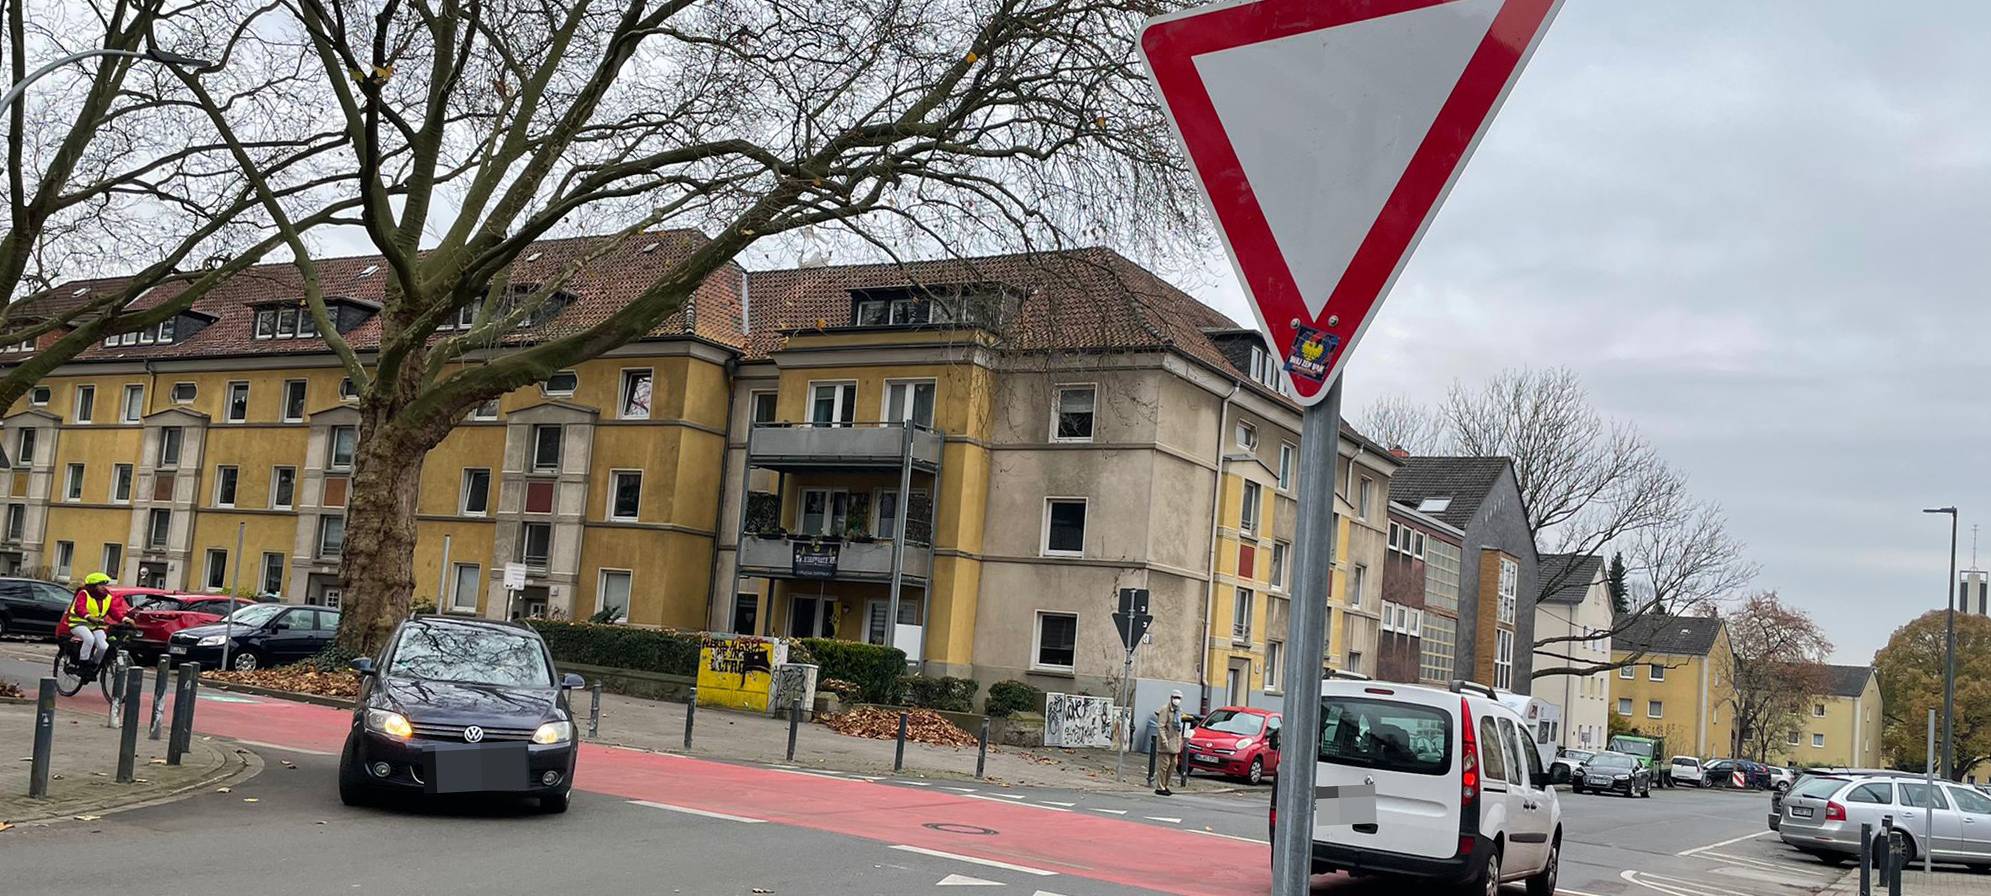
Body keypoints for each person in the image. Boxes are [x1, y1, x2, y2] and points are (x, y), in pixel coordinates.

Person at [59, 572, 128, 680]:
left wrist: (125, 619)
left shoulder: (107, 597)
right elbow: (79, 608)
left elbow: (113, 612)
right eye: (101, 585)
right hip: (78, 623)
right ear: (93, 586)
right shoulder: (84, 594)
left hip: (95, 626)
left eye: (105, 584)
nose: (104, 587)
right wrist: (88, 616)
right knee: (89, 639)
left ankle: (93, 667)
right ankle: (83, 665)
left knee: (103, 646)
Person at [1153, 689, 1186, 796]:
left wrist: (1180, 741)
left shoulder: (1179, 711)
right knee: (1164, 765)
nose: (1177, 700)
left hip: (1175, 742)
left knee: (1173, 764)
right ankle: (1160, 786)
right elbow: (1161, 726)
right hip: (1166, 741)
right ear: (1171, 698)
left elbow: (1178, 728)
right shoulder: (1165, 710)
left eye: (1179, 698)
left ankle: (1165, 785)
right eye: (1175, 698)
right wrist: (1163, 740)